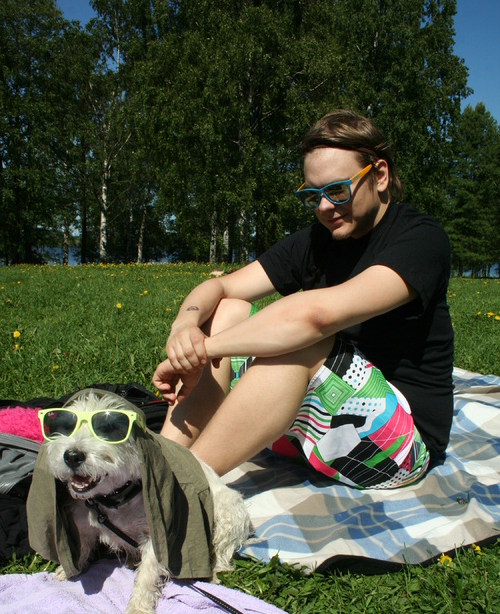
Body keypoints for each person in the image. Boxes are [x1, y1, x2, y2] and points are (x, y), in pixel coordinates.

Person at [152, 110, 454, 490]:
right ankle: (161, 463)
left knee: (301, 341)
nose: (324, 206)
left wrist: (203, 350)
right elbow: (222, 288)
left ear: (379, 175)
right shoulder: (316, 241)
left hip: (396, 447)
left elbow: (315, 318)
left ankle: (182, 489)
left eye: (338, 190)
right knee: (227, 311)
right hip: (313, 432)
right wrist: (185, 328)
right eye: (313, 195)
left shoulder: (421, 240)